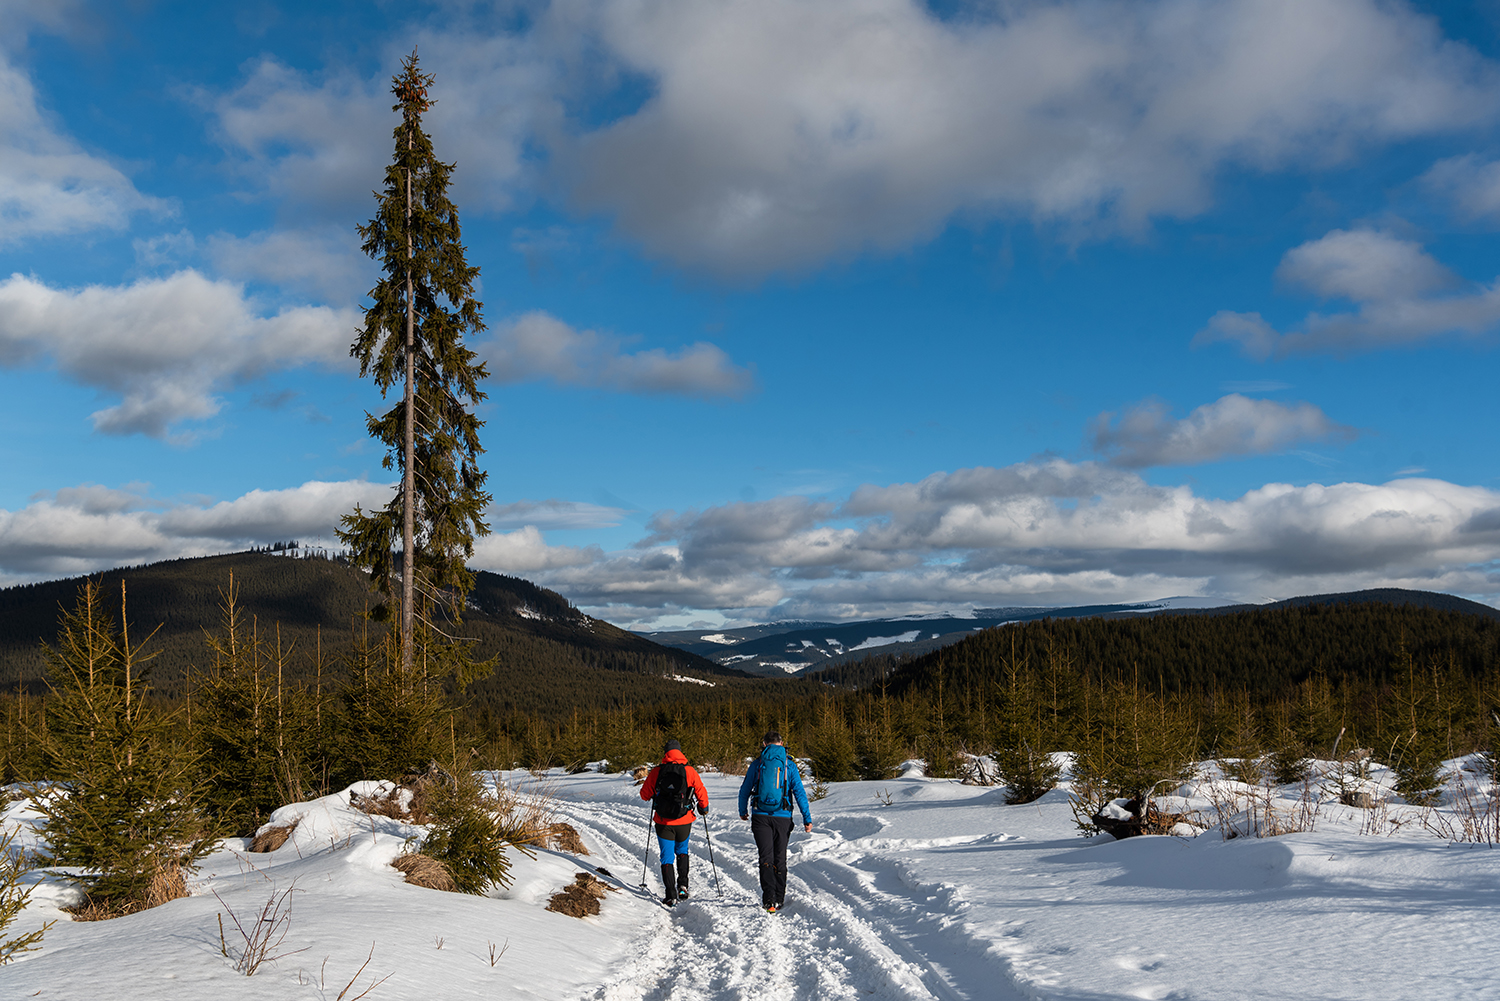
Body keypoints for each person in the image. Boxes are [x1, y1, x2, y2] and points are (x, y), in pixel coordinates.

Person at [738, 731, 812, 913]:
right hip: (783, 817)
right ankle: (779, 898)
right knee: (780, 858)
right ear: (781, 743)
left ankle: (769, 900)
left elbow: (745, 788)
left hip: (760, 816)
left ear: (764, 744)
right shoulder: (789, 765)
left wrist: (742, 810)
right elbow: (800, 793)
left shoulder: (757, 764)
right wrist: (807, 818)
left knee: (765, 857)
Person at [640, 738, 710, 906]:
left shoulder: (657, 771)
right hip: (684, 821)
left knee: (667, 857)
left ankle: (670, 894)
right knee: (682, 851)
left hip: (663, 822)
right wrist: (704, 808)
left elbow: (644, 795)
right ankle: (683, 886)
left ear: (665, 753)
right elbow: (701, 792)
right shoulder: (690, 771)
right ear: (680, 752)